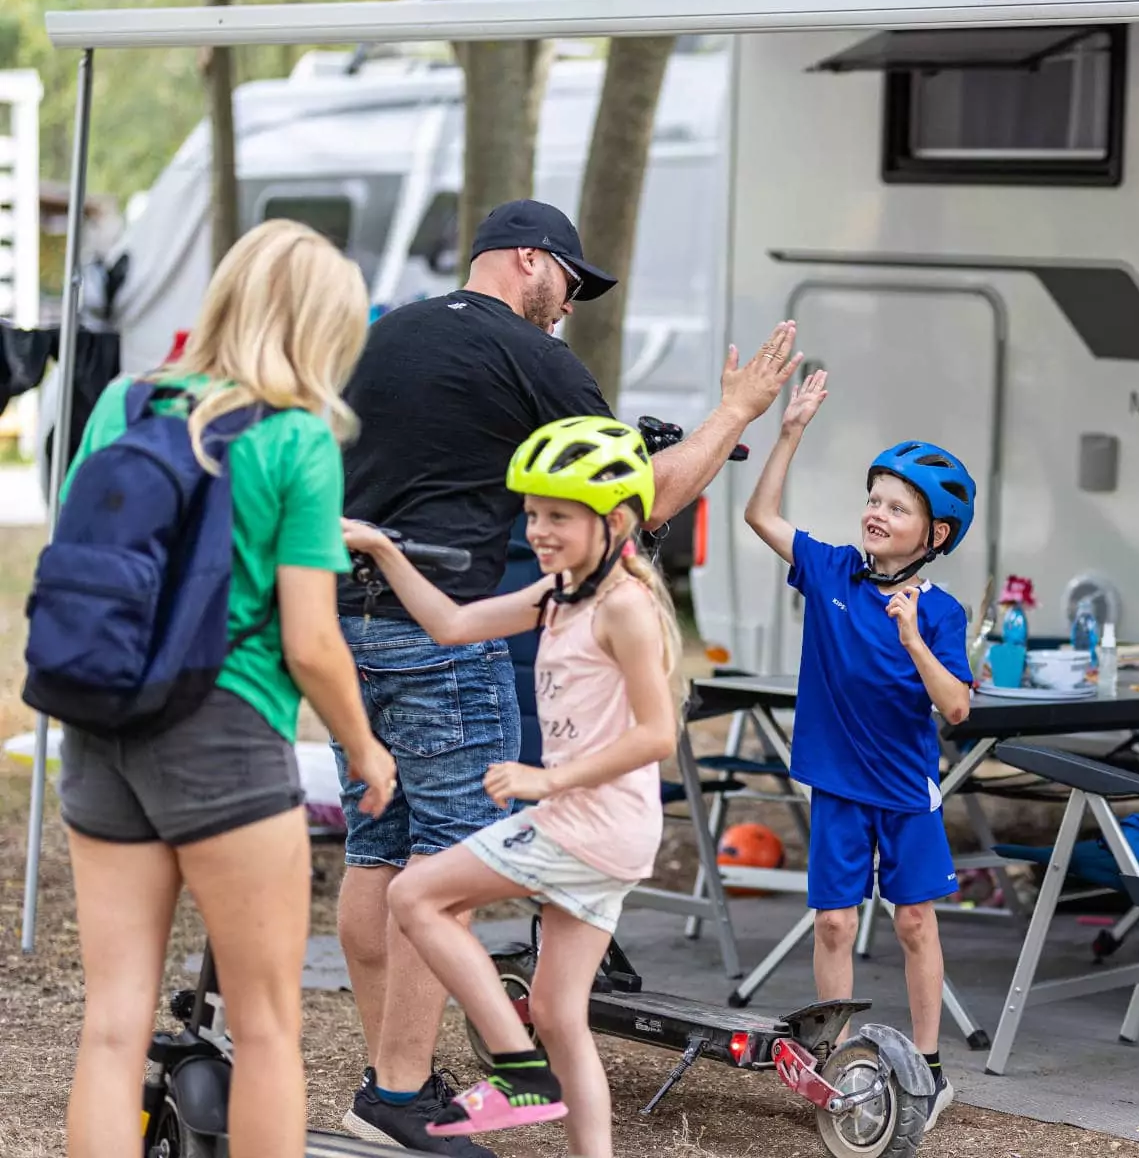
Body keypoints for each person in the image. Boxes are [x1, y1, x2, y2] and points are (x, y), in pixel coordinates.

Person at [330, 196, 799, 1152]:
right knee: (444, 864)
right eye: (571, 285)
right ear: (533, 262)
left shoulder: (387, 335)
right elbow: (639, 495)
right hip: (438, 643)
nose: (569, 307)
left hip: (351, 622)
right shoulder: (527, 353)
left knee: (379, 847)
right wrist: (736, 414)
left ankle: (387, 1079)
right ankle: (403, 1092)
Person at [53, 219, 398, 1158]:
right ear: (320, 330)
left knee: (113, 1023)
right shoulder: (298, 440)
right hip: (225, 730)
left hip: (99, 722)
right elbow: (313, 640)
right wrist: (364, 751)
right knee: (267, 1023)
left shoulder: (123, 406)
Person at [341, 416, 680, 1158]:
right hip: (601, 829)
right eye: (531, 513)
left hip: (589, 822)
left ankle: (520, 1071)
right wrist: (382, 550)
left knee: (415, 893)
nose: (539, 530)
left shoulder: (623, 605)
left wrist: (546, 777)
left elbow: (658, 735)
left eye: (558, 515)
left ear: (615, 520)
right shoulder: (559, 593)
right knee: (560, 1013)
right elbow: (454, 623)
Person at [741, 369, 975, 1131]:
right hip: (836, 783)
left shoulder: (940, 611)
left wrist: (911, 636)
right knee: (835, 923)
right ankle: (842, 1073)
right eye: (874, 498)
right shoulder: (832, 569)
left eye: (897, 506)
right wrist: (791, 429)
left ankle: (930, 1072)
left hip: (906, 790)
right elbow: (760, 513)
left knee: (914, 923)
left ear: (934, 535)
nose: (876, 511)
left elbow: (957, 705)